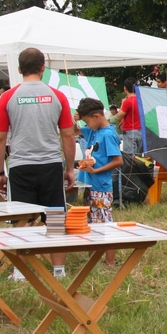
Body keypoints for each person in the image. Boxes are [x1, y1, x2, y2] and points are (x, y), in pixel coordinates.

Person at [0, 48, 76, 279]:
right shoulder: (57, 96)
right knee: (56, 219)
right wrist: (70, 169)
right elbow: (68, 135)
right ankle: (58, 270)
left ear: (19, 69)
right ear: (43, 68)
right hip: (50, 164)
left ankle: (21, 272)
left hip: (21, 166)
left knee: (22, 220)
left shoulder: (7, 97)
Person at [75, 98, 123, 267]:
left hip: (101, 187)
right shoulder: (93, 131)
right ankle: (93, 260)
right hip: (90, 185)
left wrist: (96, 171)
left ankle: (110, 262)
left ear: (96, 116)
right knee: (91, 224)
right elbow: (74, 131)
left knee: (104, 224)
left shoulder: (108, 134)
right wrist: (74, 119)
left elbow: (118, 161)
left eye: (87, 121)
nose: (86, 125)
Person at [114, 78, 142, 155]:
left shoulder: (127, 101)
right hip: (140, 131)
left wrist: (123, 103)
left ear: (125, 88)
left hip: (130, 131)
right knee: (139, 156)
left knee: (129, 157)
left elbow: (119, 117)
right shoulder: (141, 100)